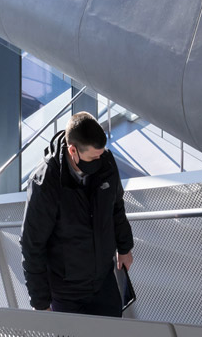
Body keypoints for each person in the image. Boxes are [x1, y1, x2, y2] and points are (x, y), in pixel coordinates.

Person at [20, 112, 134, 316]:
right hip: (67, 292)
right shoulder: (46, 182)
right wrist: (40, 302)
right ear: (73, 150)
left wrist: (124, 248)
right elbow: (32, 245)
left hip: (104, 282)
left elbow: (116, 206)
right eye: (93, 157)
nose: (100, 160)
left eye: (101, 154)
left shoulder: (106, 162)